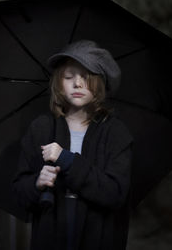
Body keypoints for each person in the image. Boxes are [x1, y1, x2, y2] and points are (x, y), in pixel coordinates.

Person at [12, 40, 133, 250]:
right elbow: (20, 193)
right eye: (69, 77)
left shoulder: (115, 133)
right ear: (59, 83)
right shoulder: (41, 128)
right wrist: (36, 183)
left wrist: (66, 160)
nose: (77, 84)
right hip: (50, 238)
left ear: (100, 82)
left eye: (85, 77)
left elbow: (114, 192)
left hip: (98, 238)